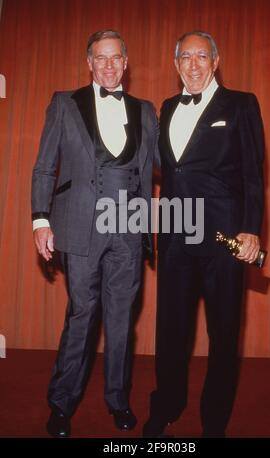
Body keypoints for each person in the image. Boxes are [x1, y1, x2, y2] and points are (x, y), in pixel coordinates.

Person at [31, 30, 157, 438]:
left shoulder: (146, 110)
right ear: (89, 63)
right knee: (82, 316)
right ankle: (61, 403)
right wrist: (40, 219)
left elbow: (167, 163)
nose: (108, 65)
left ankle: (118, 400)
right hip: (81, 227)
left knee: (122, 320)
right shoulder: (64, 104)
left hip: (129, 230)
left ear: (126, 63)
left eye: (115, 58)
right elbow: (45, 166)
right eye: (100, 58)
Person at [143, 31, 265, 438]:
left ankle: (214, 420)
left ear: (216, 61)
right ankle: (168, 404)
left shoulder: (241, 104)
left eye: (201, 56)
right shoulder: (167, 106)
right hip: (176, 235)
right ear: (176, 64)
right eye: (185, 58)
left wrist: (251, 229)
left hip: (223, 238)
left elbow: (253, 175)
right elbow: (168, 168)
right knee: (172, 329)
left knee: (224, 333)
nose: (193, 65)